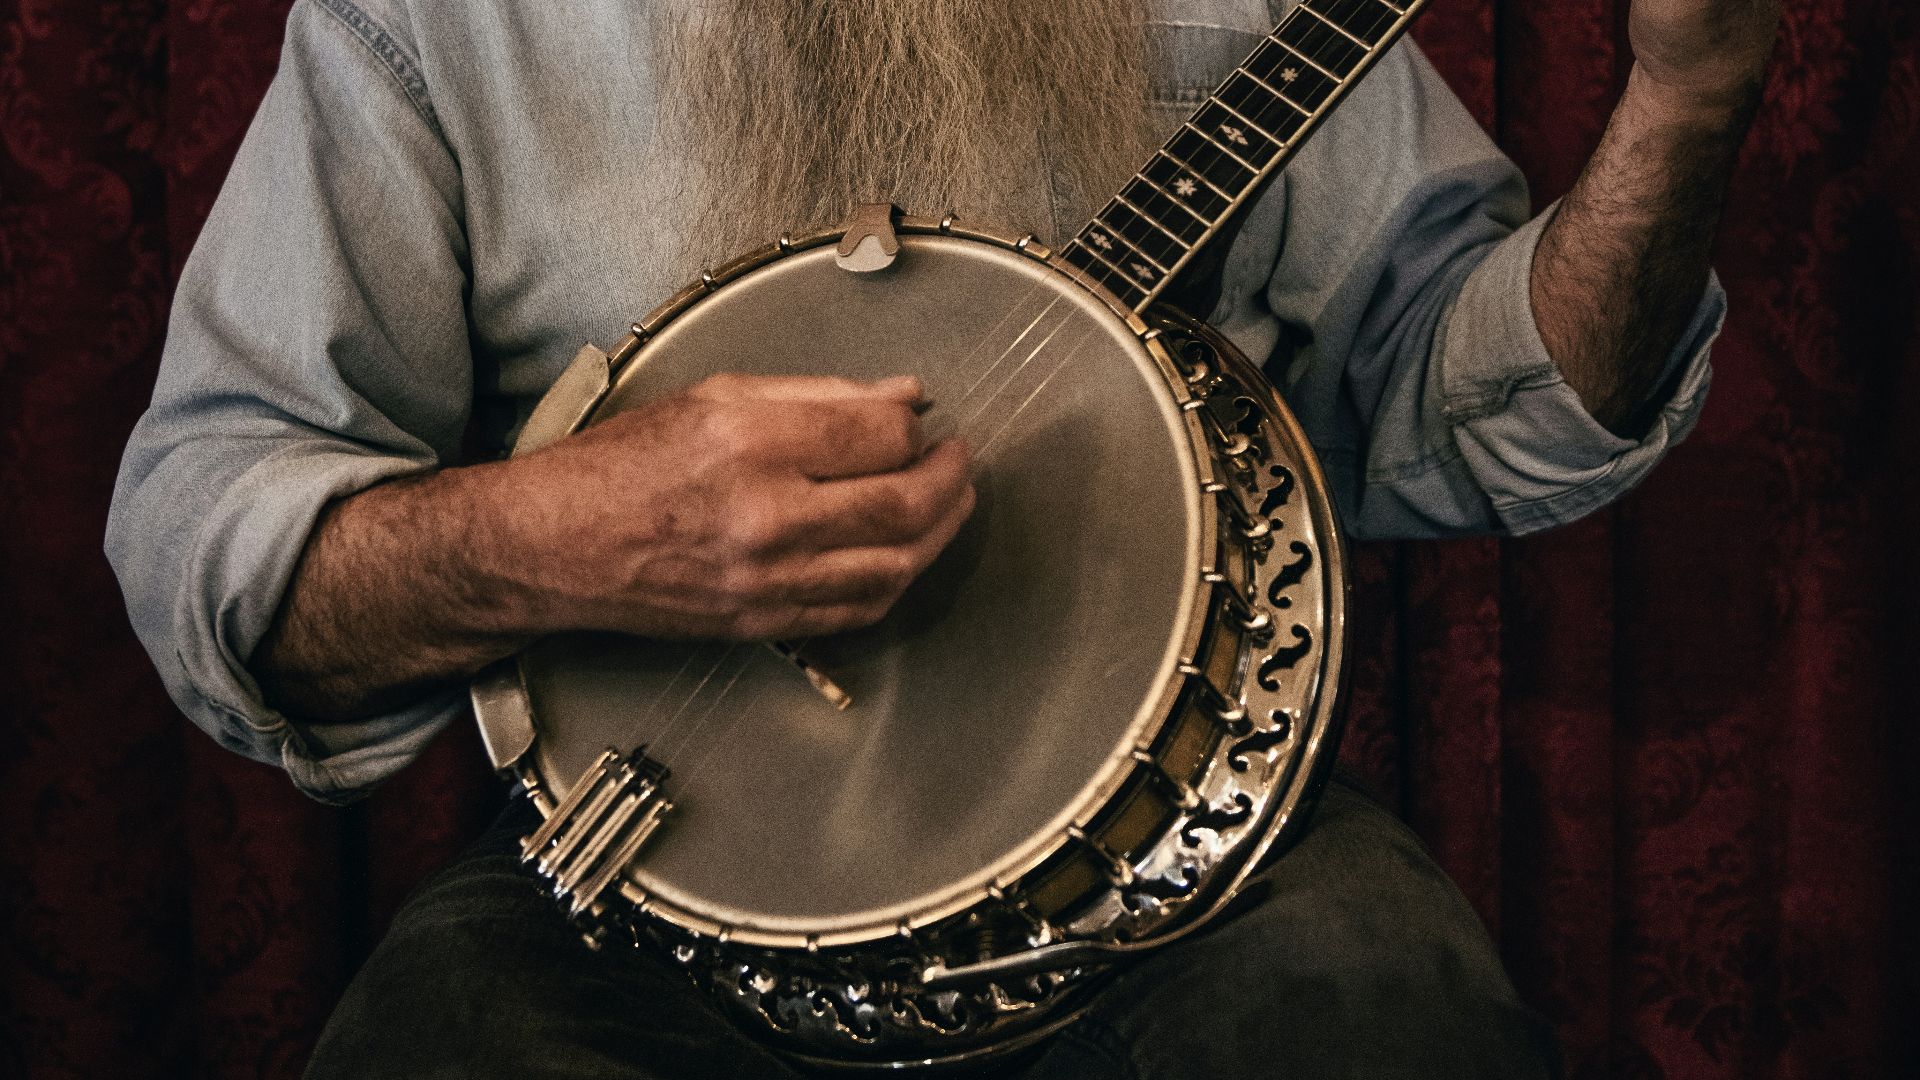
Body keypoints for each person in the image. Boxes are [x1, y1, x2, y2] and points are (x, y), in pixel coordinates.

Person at [105, 0, 1780, 1075]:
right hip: (655, 860)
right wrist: (552, 537)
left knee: (1387, 1024)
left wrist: (1683, 101)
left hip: (1169, 825)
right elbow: (204, 525)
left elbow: (1477, 410)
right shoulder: (435, 20)